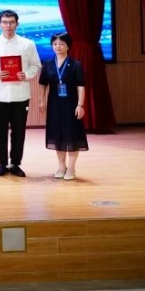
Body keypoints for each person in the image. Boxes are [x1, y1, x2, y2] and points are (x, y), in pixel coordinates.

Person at [0, 10, 42, 177]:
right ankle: (2, 163)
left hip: (20, 95)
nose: (8, 25)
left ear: (17, 24)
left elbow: (36, 65)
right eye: (5, 22)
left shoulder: (27, 44)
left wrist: (26, 75)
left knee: (19, 131)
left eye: (11, 22)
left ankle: (15, 163)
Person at [40, 32, 88, 180]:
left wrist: (80, 105)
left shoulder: (75, 64)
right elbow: (43, 84)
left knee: (72, 135)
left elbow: (81, 86)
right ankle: (61, 166)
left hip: (71, 104)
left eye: (61, 44)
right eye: (54, 44)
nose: (57, 46)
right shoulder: (48, 64)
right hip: (54, 104)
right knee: (58, 135)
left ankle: (71, 168)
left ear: (68, 46)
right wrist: (42, 101)